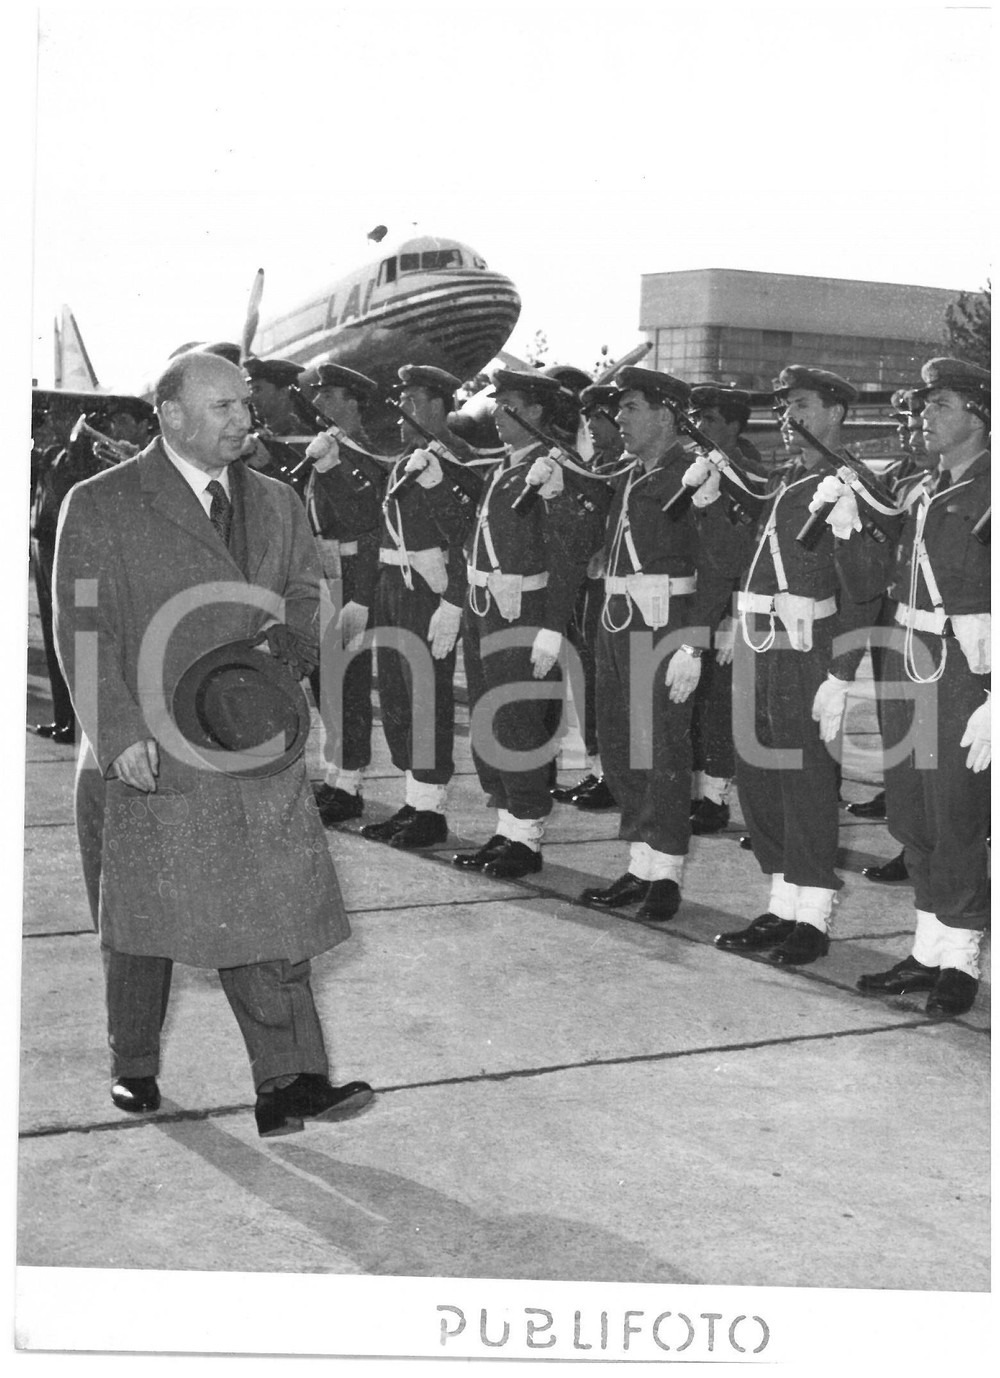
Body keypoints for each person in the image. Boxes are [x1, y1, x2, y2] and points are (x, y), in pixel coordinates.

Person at [53, 350, 373, 1137]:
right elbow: (82, 629)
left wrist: (291, 652)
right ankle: (133, 1062)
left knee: (272, 913)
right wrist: (118, 732)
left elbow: (307, 585)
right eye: (223, 407)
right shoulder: (103, 503)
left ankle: (290, 1083)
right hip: (150, 745)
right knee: (140, 926)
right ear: (169, 414)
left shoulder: (275, 498)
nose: (244, 420)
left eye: (244, 406)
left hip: (251, 735)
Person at [715, 365, 896, 965]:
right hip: (758, 641)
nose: (789, 420)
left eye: (802, 406)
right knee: (759, 775)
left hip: (807, 647)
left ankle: (813, 914)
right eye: (784, 409)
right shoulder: (790, 478)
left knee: (806, 782)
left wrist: (841, 673)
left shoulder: (855, 483)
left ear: (836, 413)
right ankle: (781, 901)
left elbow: (867, 589)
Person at [856, 357, 990, 1018]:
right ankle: (929, 947)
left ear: (977, 413)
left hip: (963, 670)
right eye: (921, 406)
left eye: (938, 406)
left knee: (956, 810)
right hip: (906, 658)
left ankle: (962, 957)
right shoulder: (922, 487)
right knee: (909, 809)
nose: (922, 418)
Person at [578, 367, 731, 922]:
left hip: (662, 626)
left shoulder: (692, 473)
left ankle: (664, 873)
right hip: (617, 621)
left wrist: (694, 643)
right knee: (620, 746)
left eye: (631, 408)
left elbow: (716, 564)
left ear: (666, 415)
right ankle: (640, 863)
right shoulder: (634, 473)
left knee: (661, 749)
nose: (618, 418)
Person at [453, 368, 609, 877]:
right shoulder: (507, 465)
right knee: (489, 720)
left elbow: (568, 555)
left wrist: (552, 625)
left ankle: (526, 836)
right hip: (485, 608)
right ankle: (506, 827)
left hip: (523, 612)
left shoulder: (556, 467)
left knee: (517, 723)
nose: (496, 413)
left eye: (508, 405)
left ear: (537, 412)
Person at [359, 365, 484, 847]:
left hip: (427, 592)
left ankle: (431, 812)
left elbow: (469, 538)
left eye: (411, 402)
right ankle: (414, 802)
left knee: (425, 698)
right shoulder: (406, 459)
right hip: (395, 585)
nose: (401, 413)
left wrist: (453, 601)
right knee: (395, 695)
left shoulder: (460, 460)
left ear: (439, 405)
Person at [299, 363, 387, 825]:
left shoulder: (363, 454)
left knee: (348, 685)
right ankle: (335, 775)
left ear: (353, 401)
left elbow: (368, 523)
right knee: (327, 683)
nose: (319, 403)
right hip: (326, 572)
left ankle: (349, 784)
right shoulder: (331, 447)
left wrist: (361, 595)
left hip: (351, 576)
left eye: (330, 394)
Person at [685, 384, 770, 836]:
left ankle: (715, 798)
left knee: (720, 706)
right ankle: (699, 789)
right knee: (693, 704)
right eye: (696, 419)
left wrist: (736, 617)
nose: (699, 428)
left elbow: (746, 555)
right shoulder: (696, 469)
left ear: (735, 426)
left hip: (728, 607)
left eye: (711, 420)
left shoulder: (750, 477)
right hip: (693, 602)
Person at [551, 382, 624, 811]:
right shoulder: (593, 463)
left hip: (607, 588)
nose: (591, 426)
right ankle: (598, 768)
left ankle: (611, 773)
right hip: (585, 587)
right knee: (587, 680)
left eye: (600, 417)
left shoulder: (620, 468)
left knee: (604, 682)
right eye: (589, 418)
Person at [240, 355, 310, 492]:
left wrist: (267, 467)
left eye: (258, 390)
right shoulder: (254, 440)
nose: (251, 397)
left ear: (283, 392)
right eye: (251, 390)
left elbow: (304, 492)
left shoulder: (305, 440)